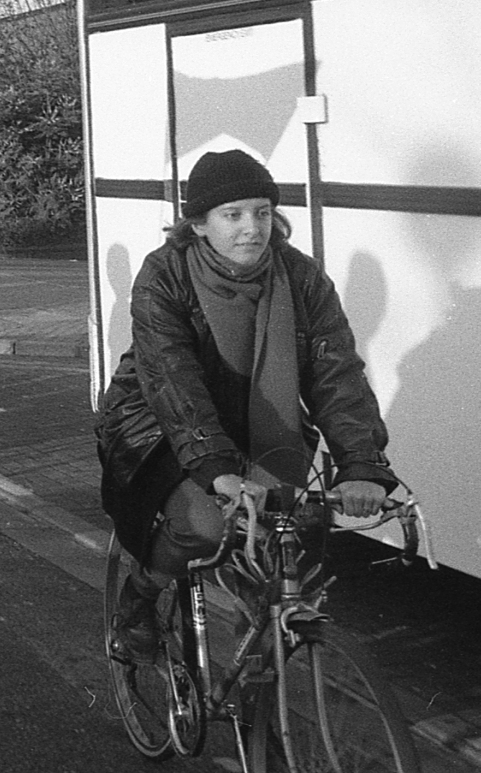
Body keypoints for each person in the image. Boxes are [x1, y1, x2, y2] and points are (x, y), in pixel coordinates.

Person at [95, 149, 398, 664]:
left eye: (261, 212)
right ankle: (141, 595)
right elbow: (173, 380)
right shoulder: (164, 275)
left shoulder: (301, 277)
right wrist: (215, 468)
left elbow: (336, 374)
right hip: (156, 420)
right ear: (198, 224)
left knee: (285, 541)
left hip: (257, 423)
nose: (251, 228)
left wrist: (361, 464)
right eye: (232, 215)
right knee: (205, 526)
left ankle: (259, 704)